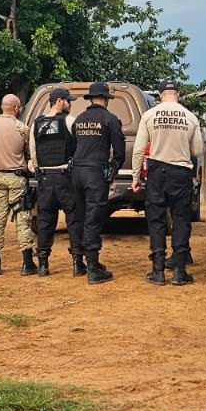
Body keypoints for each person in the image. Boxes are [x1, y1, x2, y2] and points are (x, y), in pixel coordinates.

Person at [132, 78, 202, 285]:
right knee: (181, 220)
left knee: (156, 220)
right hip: (180, 171)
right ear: (177, 94)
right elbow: (197, 150)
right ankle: (179, 271)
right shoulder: (190, 117)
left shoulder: (149, 115)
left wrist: (136, 176)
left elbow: (138, 149)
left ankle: (158, 271)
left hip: (157, 171)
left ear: (160, 95)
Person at [70, 81, 125, 284]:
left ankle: (79, 262)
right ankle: (93, 268)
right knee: (93, 218)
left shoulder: (79, 119)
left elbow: (72, 148)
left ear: (91, 99)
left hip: (77, 173)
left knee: (79, 217)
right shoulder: (110, 119)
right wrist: (112, 173)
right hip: (95, 173)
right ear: (105, 99)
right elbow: (119, 153)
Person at [0, 92, 37, 276]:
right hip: (16, 177)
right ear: (16, 108)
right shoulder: (21, 128)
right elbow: (29, 154)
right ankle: (27, 263)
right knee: (23, 219)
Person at [29, 86, 77, 277]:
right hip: (65, 177)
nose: (70, 104)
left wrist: (39, 170)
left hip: (45, 178)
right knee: (73, 219)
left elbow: (33, 153)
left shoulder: (36, 124)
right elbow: (78, 148)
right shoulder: (69, 121)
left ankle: (43, 264)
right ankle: (77, 263)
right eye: (68, 100)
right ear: (59, 101)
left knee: (45, 222)